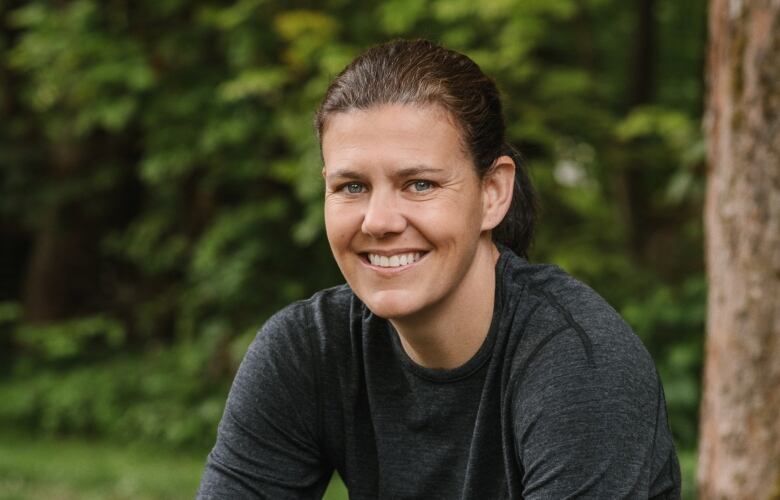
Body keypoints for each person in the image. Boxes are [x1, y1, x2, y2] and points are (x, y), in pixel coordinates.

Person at [197, 39, 681, 499]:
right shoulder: (308, 351)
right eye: (351, 186)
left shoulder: (579, 365)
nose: (379, 221)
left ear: (492, 194)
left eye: (420, 184)